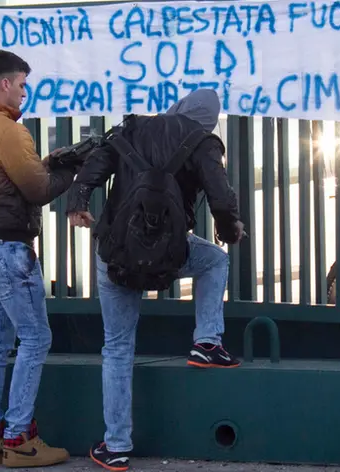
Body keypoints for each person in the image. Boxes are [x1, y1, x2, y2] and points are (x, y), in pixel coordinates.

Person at [65, 88, 245, 471]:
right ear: (209, 119)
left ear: (180, 106)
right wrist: (229, 231)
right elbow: (222, 199)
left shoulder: (132, 129)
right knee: (214, 260)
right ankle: (207, 342)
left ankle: (115, 447)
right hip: (168, 255)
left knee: (116, 348)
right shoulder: (203, 141)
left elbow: (93, 168)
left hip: (115, 255)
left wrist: (77, 205)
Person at [0, 49, 77, 468]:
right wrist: (69, 170)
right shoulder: (9, 131)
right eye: (22, 84)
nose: (26, 92)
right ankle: (20, 438)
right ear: (5, 84)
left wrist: (46, 166)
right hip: (8, 251)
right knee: (37, 339)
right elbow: (38, 190)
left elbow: (8, 178)